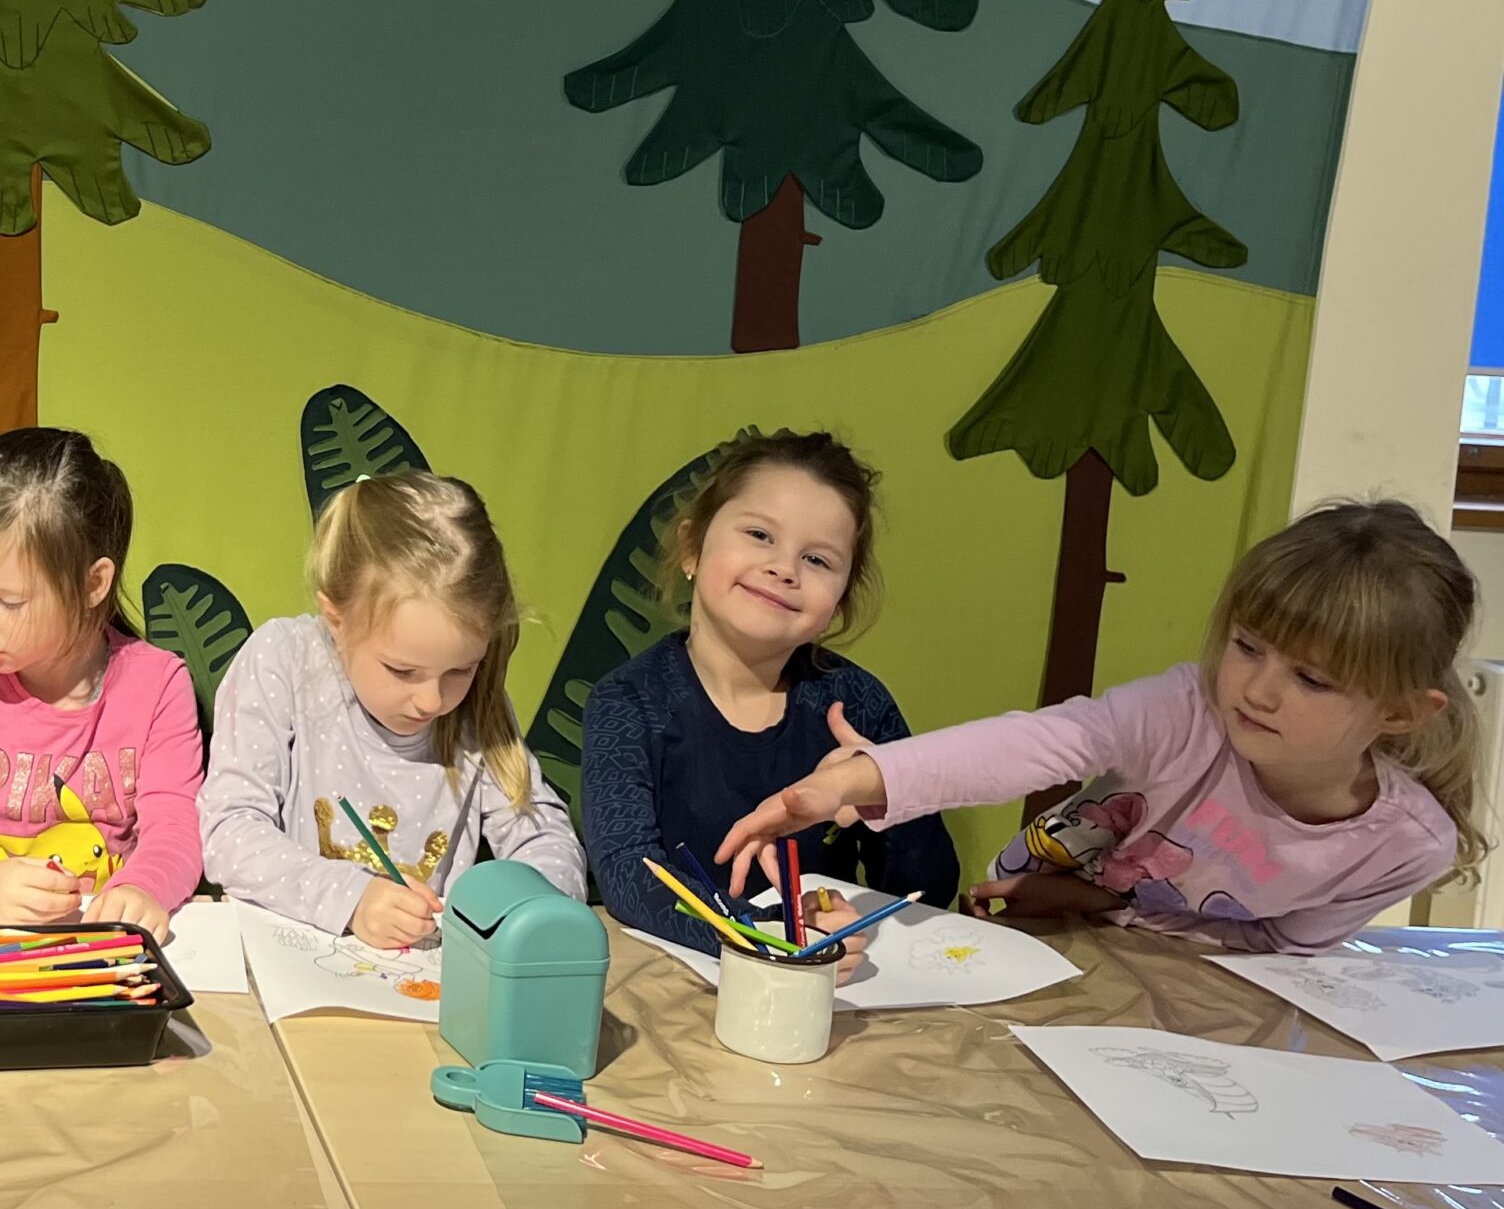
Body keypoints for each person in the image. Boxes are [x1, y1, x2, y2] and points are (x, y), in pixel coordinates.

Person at [718, 500, 1483, 954]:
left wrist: (1111, 910)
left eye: (1311, 679)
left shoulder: (1407, 847)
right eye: (1248, 646)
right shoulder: (1189, 709)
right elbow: (1044, 741)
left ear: (1399, 713)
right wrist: (863, 778)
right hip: (1038, 926)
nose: (1257, 689)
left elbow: (1279, 952)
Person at [583, 431, 955, 967]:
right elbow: (629, 876)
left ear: (840, 601)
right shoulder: (627, 702)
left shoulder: (859, 704)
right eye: (760, 534)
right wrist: (770, 937)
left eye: (818, 559)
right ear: (692, 547)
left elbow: (929, 889)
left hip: (830, 985)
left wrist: (889, 789)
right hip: (679, 983)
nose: (784, 569)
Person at [201, 471, 584, 949]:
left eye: (461, 670)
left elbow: (543, 837)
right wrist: (352, 898)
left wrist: (527, 915)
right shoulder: (284, 661)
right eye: (403, 671)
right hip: (289, 963)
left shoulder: (476, 702)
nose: (432, 700)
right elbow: (229, 833)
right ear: (336, 620)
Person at [0, 429, 203, 941]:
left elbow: (176, 828)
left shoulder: (158, 685)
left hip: (97, 948)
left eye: (8, 602)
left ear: (93, 583)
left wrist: (142, 890)